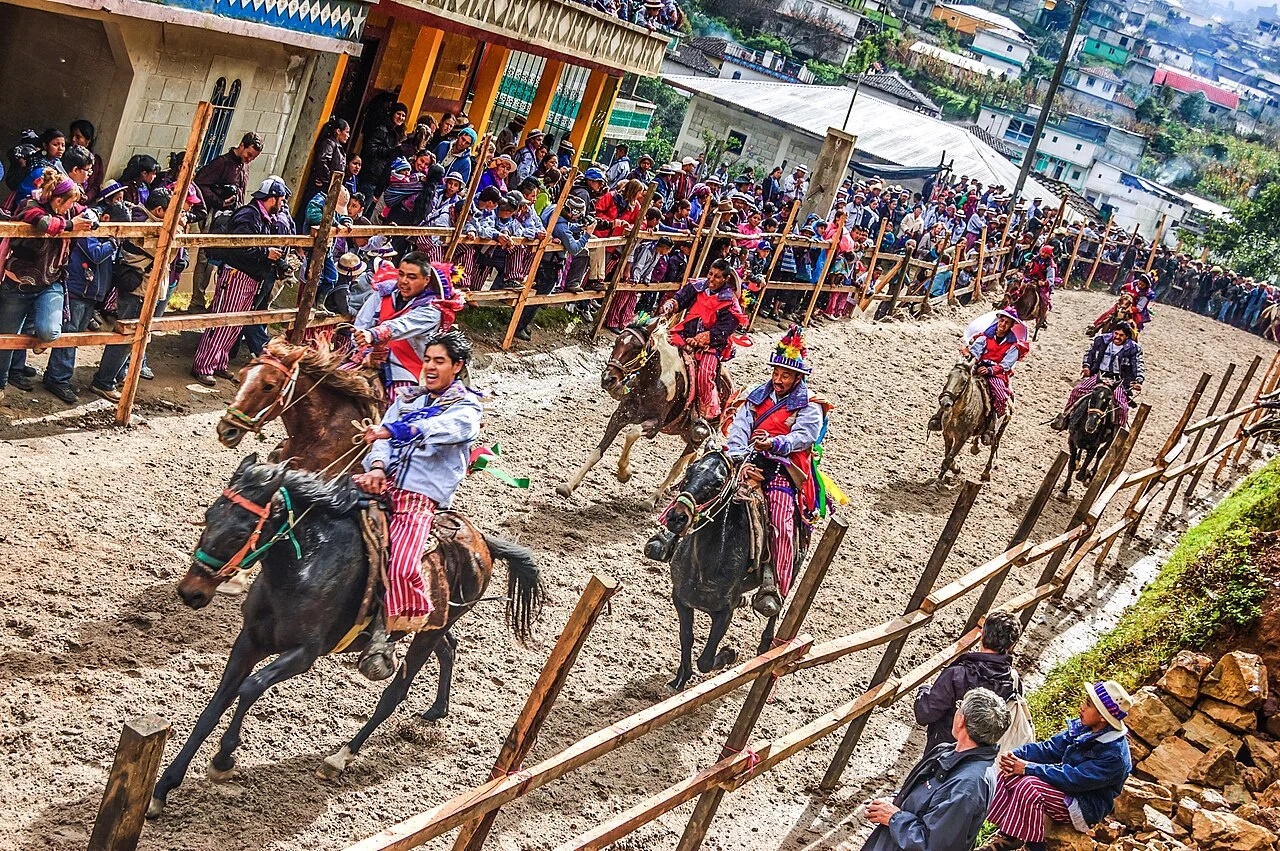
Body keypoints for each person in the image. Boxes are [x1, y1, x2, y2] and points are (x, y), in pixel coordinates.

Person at [355, 329, 483, 639]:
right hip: (382, 482)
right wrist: (376, 467)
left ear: (457, 366)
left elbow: (439, 427)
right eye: (427, 360)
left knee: (402, 566)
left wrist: (396, 430)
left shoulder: (466, 409)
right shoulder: (408, 398)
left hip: (418, 496)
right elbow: (382, 438)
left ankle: (386, 633)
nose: (430, 367)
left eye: (440, 361)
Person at [725, 325, 830, 615]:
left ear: (798, 378)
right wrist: (736, 452)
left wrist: (775, 442)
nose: (778, 379)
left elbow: (805, 436)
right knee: (706, 479)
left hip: (782, 466)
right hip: (748, 457)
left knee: (782, 518)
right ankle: (672, 532)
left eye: (785, 375)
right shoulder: (758, 395)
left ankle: (773, 583)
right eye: (776, 373)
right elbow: (741, 425)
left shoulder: (810, 406)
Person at [983, 681, 1134, 851]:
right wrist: (1015, 755)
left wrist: (1027, 768)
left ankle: (1034, 847)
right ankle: (1009, 836)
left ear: (1103, 717)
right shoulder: (1086, 728)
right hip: (1067, 790)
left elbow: (1074, 779)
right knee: (1009, 773)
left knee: (1029, 786)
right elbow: (1050, 749)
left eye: (1089, 705)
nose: (1082, 707)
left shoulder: (1114, 756)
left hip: (1084, 805)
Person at [861, 689, 1010, 851]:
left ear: (961, 720)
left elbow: (935, 846)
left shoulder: (967, 787)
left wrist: (893, 817)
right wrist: (896, 800)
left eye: (959, 706)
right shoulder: (950, 751)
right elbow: (925, 792)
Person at [0, 174, 95, 403]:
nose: (73, 207)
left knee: (49, 331)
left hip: (50, 281)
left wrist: (92, 217)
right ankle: (1, 382)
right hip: (18, 283)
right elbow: (44, 223)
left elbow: (90, 212)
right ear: (57, 200)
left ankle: (20, 362)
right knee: (5, 339)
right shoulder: (30, 205)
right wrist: (72, 226)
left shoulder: (70, 209)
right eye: (69, 202)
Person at [191, 176, 290, 386]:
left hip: (251, 277)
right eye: (280, 200)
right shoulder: (249, 216)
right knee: (221, 321)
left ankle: (218, 363)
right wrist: (266, 253)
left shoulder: (262, 217)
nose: (282, 205)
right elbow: (239, 246)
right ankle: (204, 365)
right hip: (237, 274)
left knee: (235, 324)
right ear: (271, 198)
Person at [659, 258, 747, 441]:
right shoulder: (698, 286)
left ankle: (704, 415)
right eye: (710, 274)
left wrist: (700, 340)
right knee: (657, 348)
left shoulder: (730, 302)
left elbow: (724, 329)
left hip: (710, 345)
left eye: (717, 277)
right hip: (684, 333)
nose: (712, 279)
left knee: (706, 373)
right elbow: (681, 298)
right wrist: (671, 305)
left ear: (725, 278)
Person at [914, 611, 1023, 753]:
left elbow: (924, 713)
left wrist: (924, 690)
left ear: (982, 634)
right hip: (979, 758)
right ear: (1012, 645)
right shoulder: (1013, 681)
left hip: (942, 753)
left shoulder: (957, 675)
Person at [352, 251, 454, 395]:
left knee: (399, 408)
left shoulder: (431, 311)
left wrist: (372, 334)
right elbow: (362, 323)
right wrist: (363, 349)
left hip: (402, 367)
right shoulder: (383, 293)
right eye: (401, 274)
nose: (404, 281)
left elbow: (401, 326)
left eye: (412, 277)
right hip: (368, 357)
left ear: (426, 280)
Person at [190, 132, 263, 312]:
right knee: (205, 258)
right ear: (242, 145)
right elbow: (199, 185)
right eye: (249, 155)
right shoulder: (221, 163)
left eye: (253, 158)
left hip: (232, 217)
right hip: (214, 214)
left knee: (221, 257)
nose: (249, 159)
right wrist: (219, 200)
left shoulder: (244, 166)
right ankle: (197, 301)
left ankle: (215, 301)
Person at [1051, 323, 1144, 431]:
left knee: (1122, 406)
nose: (1117, 337)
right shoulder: (1101, 340)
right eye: (1116, 333)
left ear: (1127, 336)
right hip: (1100, 375)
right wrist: (1086, 366)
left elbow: (1138, 364)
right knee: (1077, 390)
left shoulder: (1133, 348)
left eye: (1121, 335)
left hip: (1118, 380)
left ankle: (1117, 432)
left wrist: (1139, 380)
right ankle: (1065, 418)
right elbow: (1090, 353)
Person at [957, 308, 1028, 445]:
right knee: (956, 380)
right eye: (1002, 320)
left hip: (996, 373)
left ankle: (991, 428)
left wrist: (990, 370)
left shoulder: (1014, 345)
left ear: (1011, 325)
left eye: (1007, 322)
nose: (1003, 324)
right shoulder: (985, 336)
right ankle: (940, 415)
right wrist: (971, 356)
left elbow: (1006, 364)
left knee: (1001, 397)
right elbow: (976, 351)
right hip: (978, 366)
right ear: (998, 320)